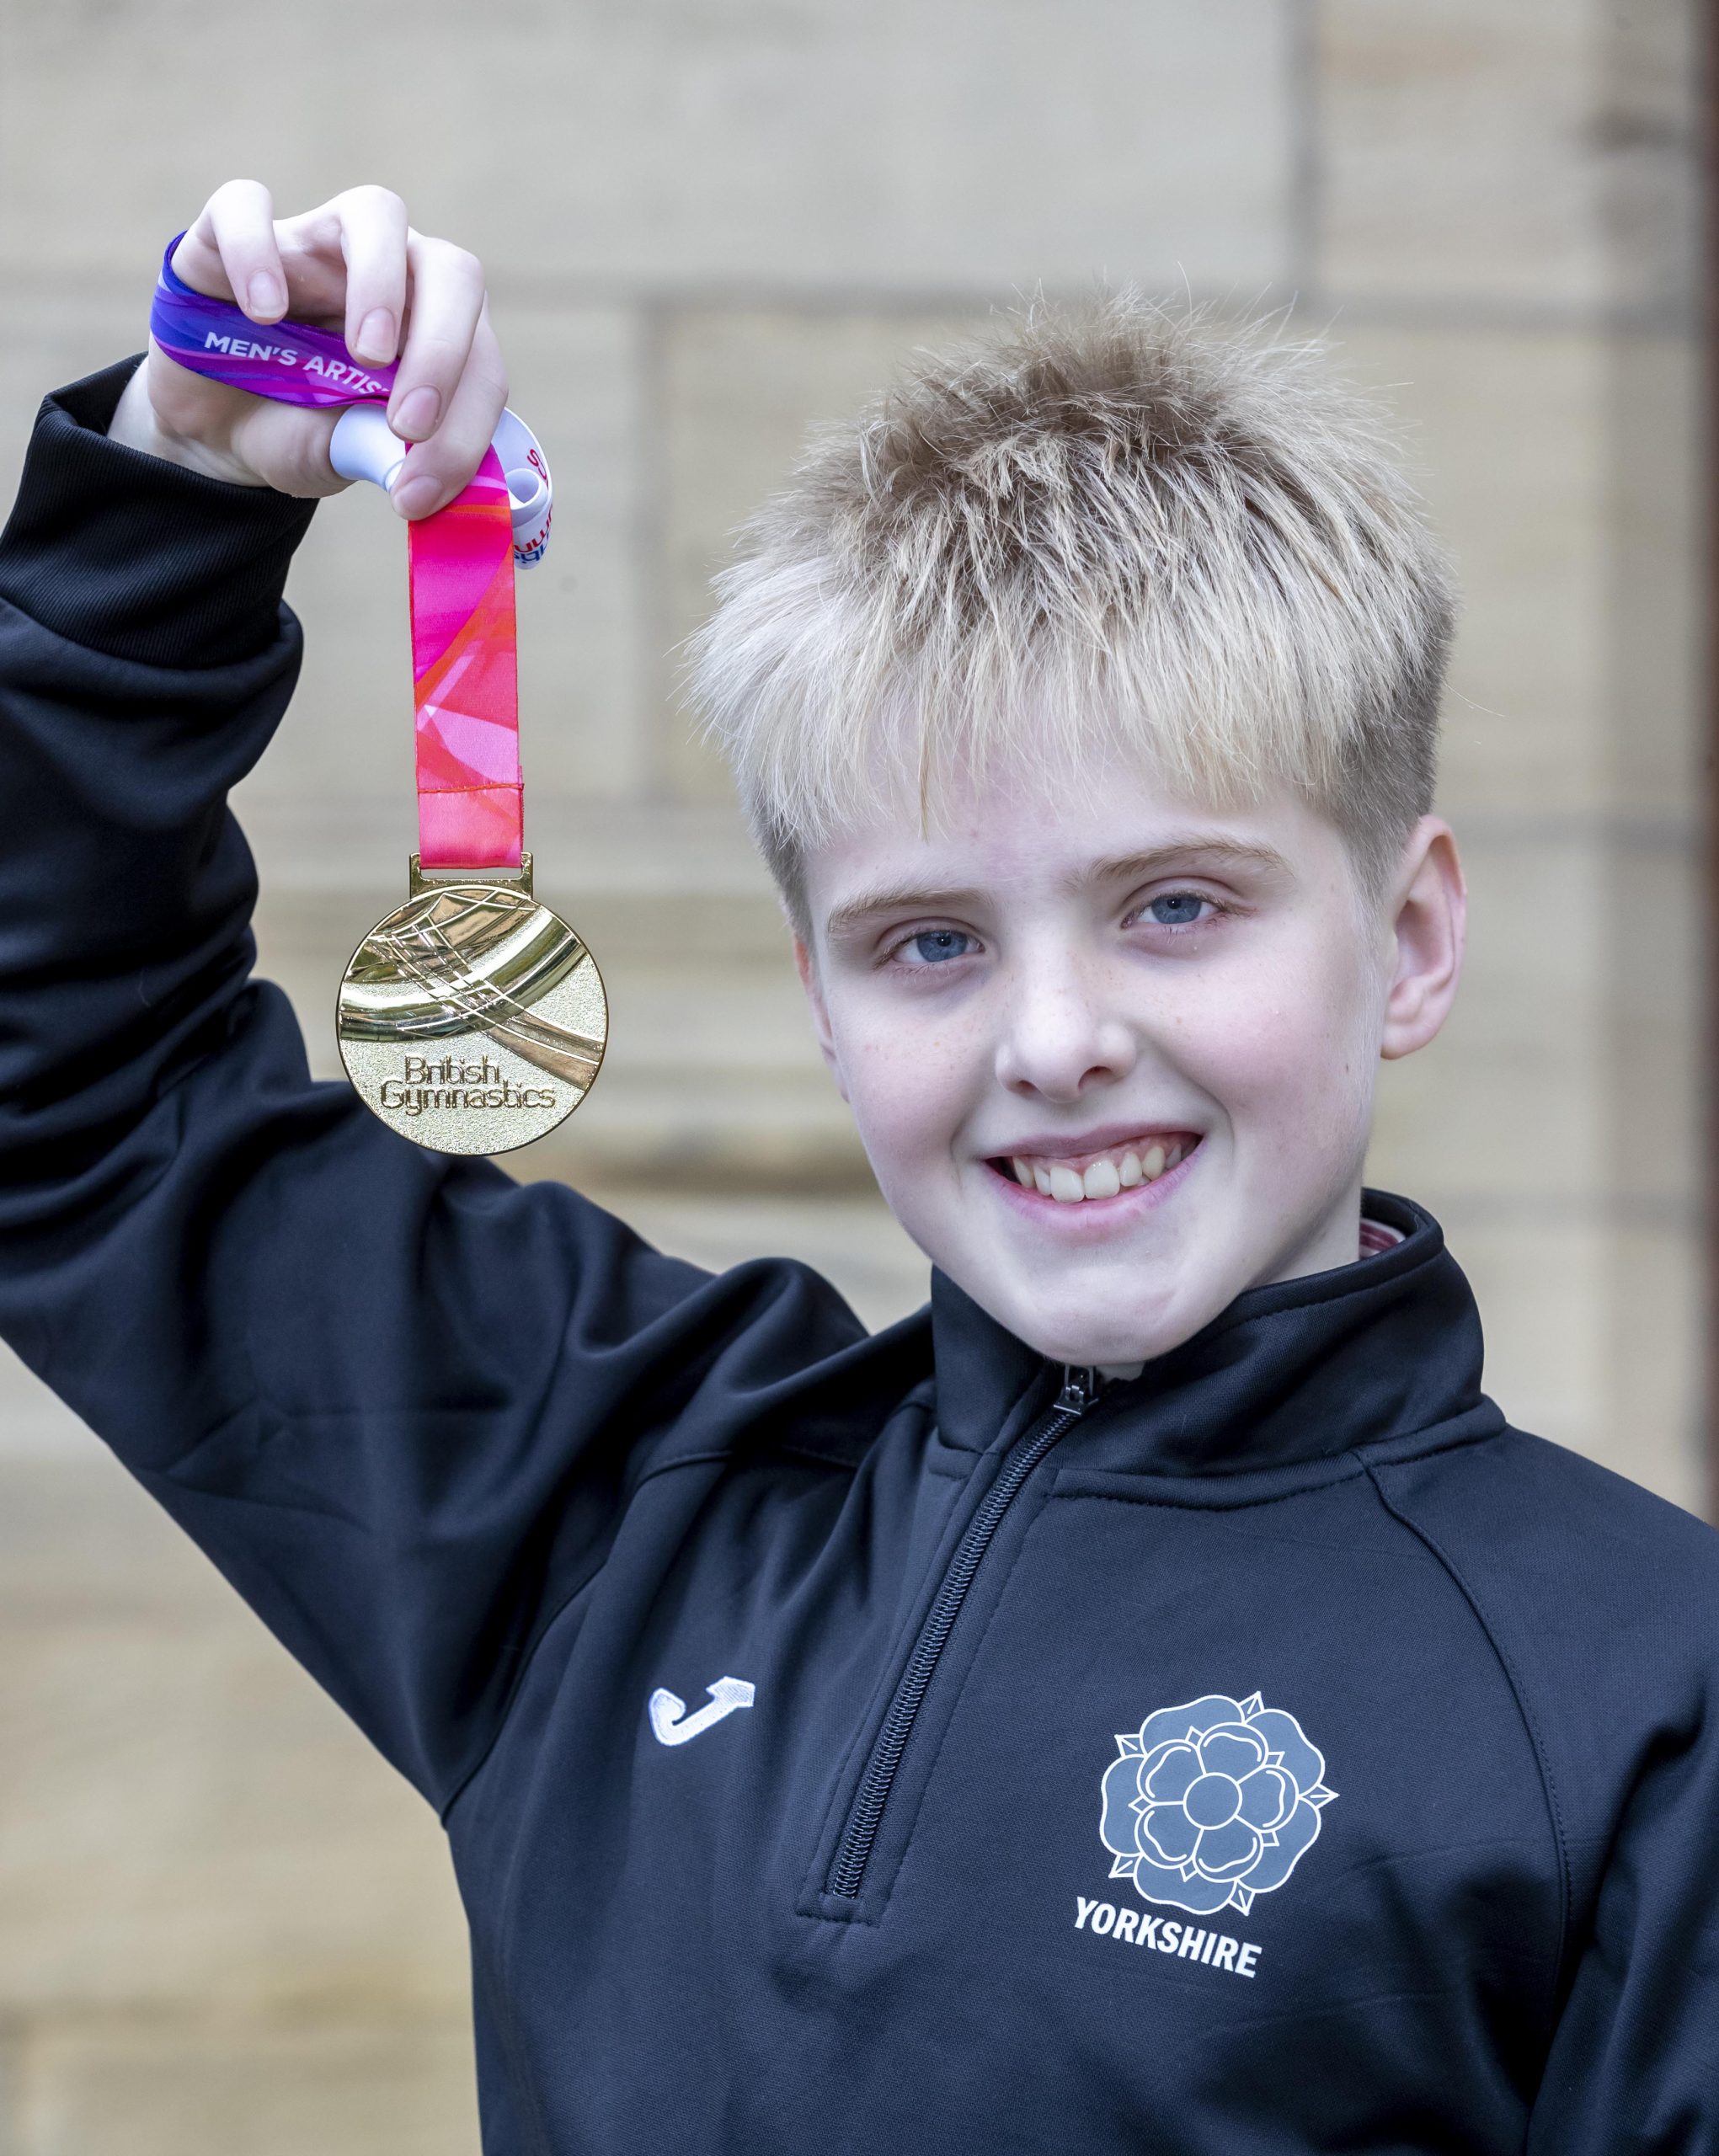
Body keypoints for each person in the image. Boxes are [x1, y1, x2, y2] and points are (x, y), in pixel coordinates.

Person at [1, 179, 1715, 2156]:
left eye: (1173, 904)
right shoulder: (615, 1493)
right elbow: (75, 1090)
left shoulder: (1642, 1688)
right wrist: (181, 489)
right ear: (823, 998)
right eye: (932, 941)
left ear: (1406, 940)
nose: (1052, 1038)